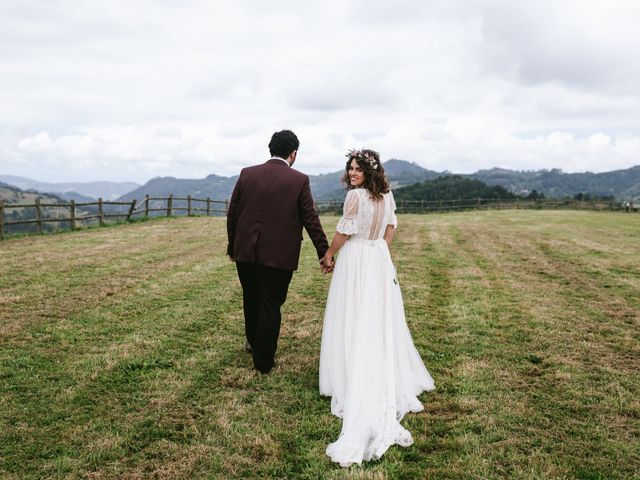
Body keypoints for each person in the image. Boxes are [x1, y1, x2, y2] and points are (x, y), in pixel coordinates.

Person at [319, 149, 435, 467]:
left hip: (358, 258)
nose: (353, 173)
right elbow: (391, 228)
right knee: (375, 315)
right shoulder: (387, 196)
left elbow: (345, 230)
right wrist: (379, 250)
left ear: (369, 173)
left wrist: (329, 255)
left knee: (353, 313)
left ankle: (350, 375)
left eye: (358, 169)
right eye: (351, 168)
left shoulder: (355, 197)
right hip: (377, 258)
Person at [226, 130, 329, 374]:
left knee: (251, 297)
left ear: (270, 149)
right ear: (293, 154)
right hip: (279, 255)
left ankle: (253, 342)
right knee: (271, 304)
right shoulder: (299, 180)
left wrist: (233, 246)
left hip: (246, 251)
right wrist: (323, 251)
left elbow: (233, 213)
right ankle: (263, 361)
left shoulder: (247, 173)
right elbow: (310, 219)